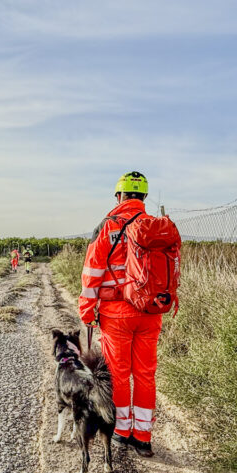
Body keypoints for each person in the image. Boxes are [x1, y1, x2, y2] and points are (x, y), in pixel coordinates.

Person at [78, 171, 161, 457]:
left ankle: (123, 432)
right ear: (144, 197)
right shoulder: (155, 226)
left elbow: (92, 272)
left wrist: (87, 310)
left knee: (119, 374)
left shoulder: (109, 225)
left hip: (116, 314)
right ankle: (144, 437)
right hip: (150, 312)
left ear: (119, 196)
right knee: (146, 374)